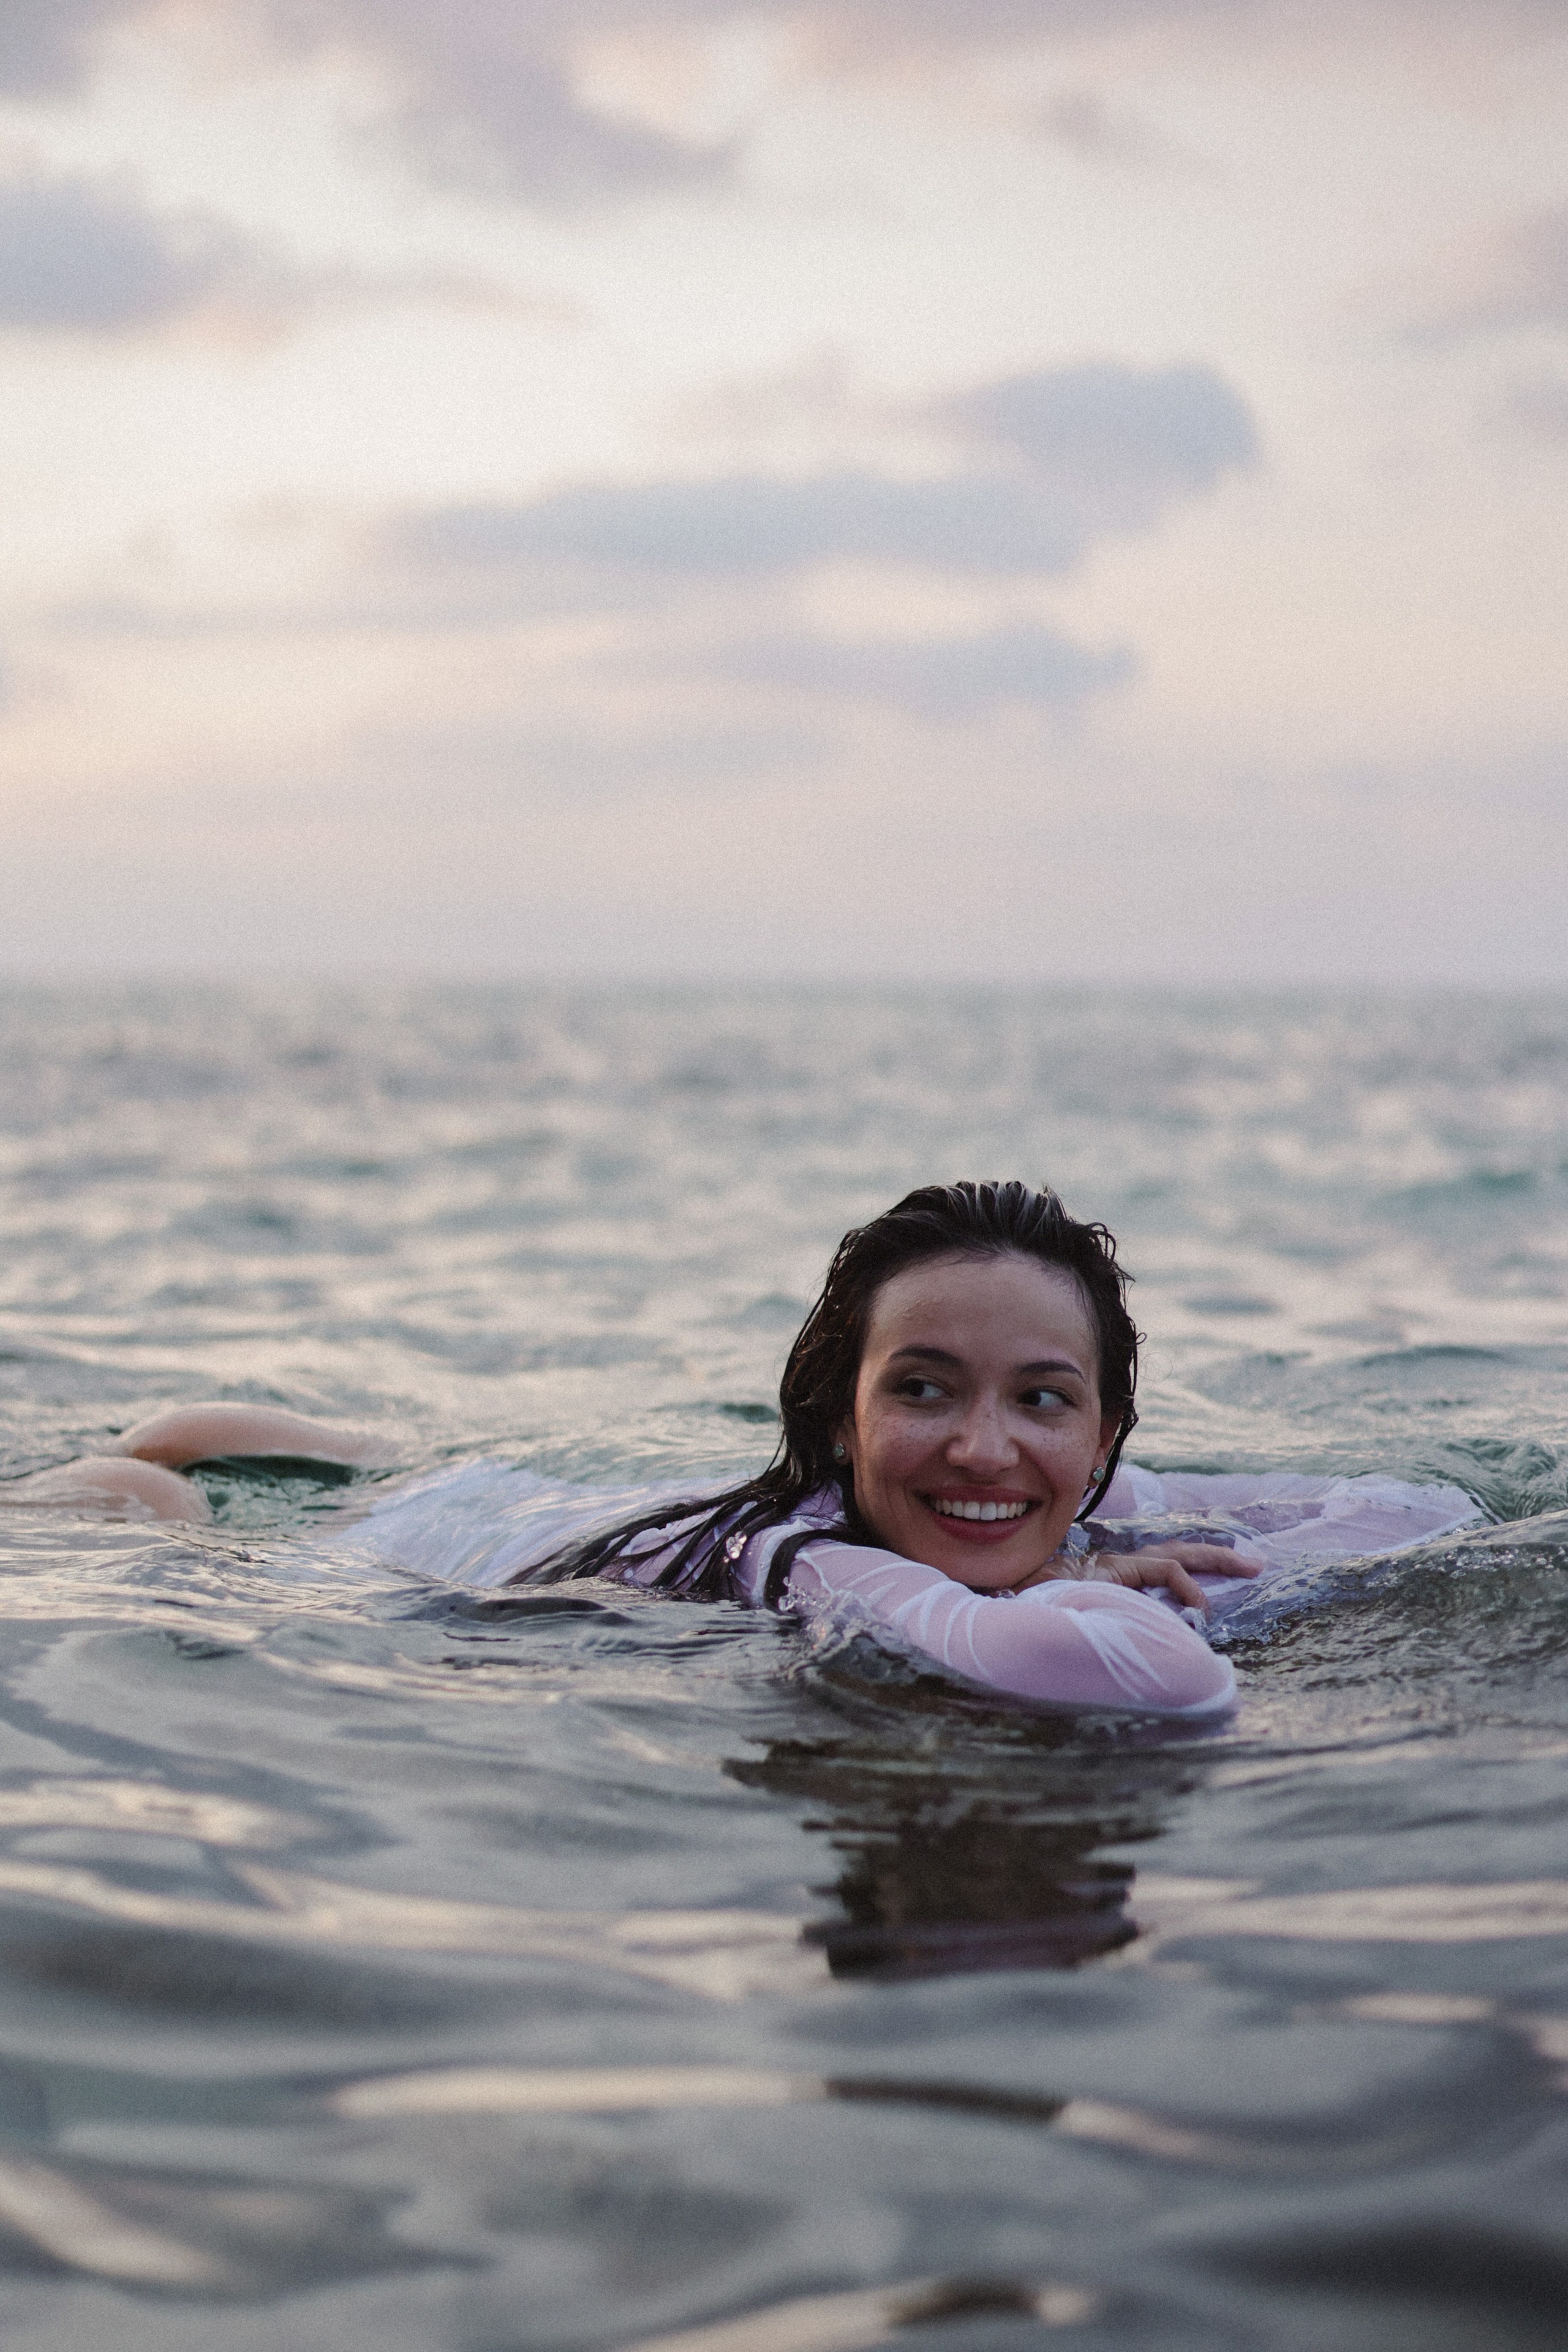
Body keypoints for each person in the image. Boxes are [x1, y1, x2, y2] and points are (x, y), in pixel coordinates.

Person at [3, 1182, 1480, 1717]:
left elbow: (1410, 1504)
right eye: (922, 1390)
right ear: (841, 1418)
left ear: (1103, 1435)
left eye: (1042, 1400)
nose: (984, 1448)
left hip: (569, 1502)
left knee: (304, 1450)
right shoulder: (840, 1576)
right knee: (152, 1494)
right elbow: (1115, 1672)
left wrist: (1122, 1539)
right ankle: (162, 1483)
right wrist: (1132, 1593)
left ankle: (321, 1442)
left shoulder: (1064, 1492)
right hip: (432, 1561)